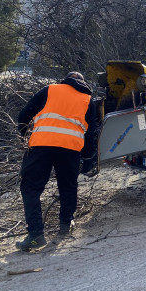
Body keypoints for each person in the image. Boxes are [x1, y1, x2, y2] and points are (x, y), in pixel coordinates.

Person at [16, 71, 96, 251]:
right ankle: (65, 226)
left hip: (41, 146)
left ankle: (36, 235)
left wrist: (23, 136)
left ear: (65, 81)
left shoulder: (49, 90)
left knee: (30, 187)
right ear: (82, 83)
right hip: (70, 149)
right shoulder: (87, 100)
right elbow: (91, 134)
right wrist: (88, 159)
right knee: (68, 187)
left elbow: (23, 116)